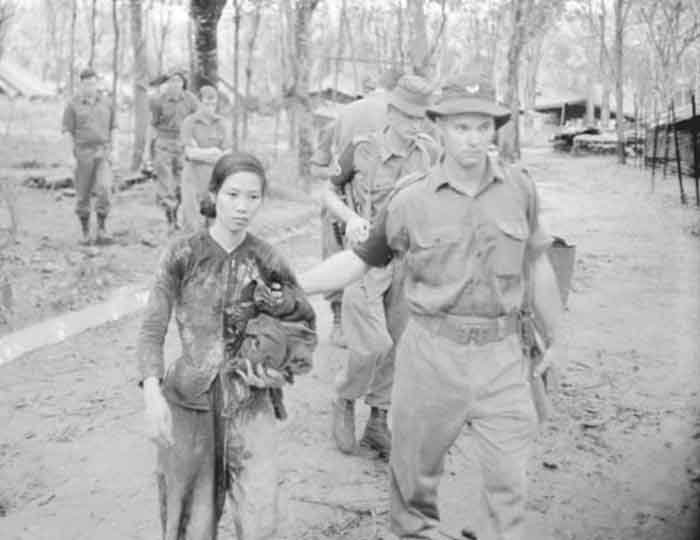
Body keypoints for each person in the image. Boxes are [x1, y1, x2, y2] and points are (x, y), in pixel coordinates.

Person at [299, 74, 565, 540]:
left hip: (502, 357)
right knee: (413, 493)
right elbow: (357, 260)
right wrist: (293, 283)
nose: (474, 138)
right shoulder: (409, 197)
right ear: (440, 126)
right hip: (431, 357)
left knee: (509, 489)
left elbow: (537, 262)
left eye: (483, 127)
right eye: (461, 127)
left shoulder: (520, 189)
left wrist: (557, 337)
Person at [137, 151, 317, 539]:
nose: (242, 207)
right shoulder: (182, 255)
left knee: (259, 520)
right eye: (233, 195)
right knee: (189, 523)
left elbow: (301, 322)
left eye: (253, 197)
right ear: (214, 193)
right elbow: (152, 328)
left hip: (251, 405)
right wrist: (152, 394)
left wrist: (278, 373)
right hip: (190, 406)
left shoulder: (268, 260)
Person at [322, 74, 440, 461]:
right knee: (373, 343)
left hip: (408, 261)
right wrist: (350, 217)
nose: (415, 125)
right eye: (408, 117)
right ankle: (345, 397)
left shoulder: (430, 153)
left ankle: (378, 418)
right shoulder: (362, 149)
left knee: (398, 342)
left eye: (421, 118)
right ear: (390, 113)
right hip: (366, 259)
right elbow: (328, 190)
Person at [310, 67, 403, 348]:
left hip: (346, 200)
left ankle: (340, 322)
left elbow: (318, 167)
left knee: (338, 252)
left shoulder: (344, 113)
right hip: (390, 200)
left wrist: (342, 173)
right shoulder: (410, 116)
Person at [61, 68, 117, 245]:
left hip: (103, 151)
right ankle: (85, 231)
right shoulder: (73, 105)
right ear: (81, 85)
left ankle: (101, 228)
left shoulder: (107, 103)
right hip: (82, 153)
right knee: (83, 193)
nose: (89, 87)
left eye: (92, 84)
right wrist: (70, 155)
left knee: (105, 188)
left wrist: (115, 150)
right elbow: (67, 132)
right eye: (86, 84)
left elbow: (113, 128)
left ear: (97, 84)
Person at [144, 70, 199, 231]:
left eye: (178, 81)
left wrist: (197, 143)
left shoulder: (190, 100)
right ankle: (171, 221)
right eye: (172, 81)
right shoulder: (158, 101)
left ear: (183, 83)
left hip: (183, 145)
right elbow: (152, 126)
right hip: (164, 144)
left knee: (182, 184)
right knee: (166, 184)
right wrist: (147, 150)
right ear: (167, 83)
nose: (175, 84)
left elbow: (198, 121)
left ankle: (177, 214)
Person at [180, 85, 232, 232]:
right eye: (206, 104)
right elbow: (190, 153)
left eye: (213, 104)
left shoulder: (222, 123)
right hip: (193, 176)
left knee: (215, 220)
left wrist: (202, 153)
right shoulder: (189, 122)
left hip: (215, 175)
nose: (210, 108)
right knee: (192, 221)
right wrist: (213, 152)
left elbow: (227, 153)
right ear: (199, 103)